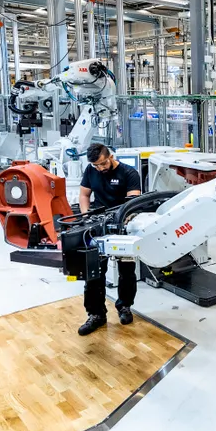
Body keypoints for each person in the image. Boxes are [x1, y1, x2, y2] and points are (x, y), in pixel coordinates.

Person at [77, 143, 142, 335]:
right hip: (98, 227)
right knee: (94, 273)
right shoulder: (91, 170)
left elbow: (132, 204)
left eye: (103, 164)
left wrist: (121, 222)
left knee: (127, 271)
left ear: (111, 156)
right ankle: (96, 314)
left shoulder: (129, 173)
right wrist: (85, 216)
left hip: (123, 227)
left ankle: (124, 307)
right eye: (97, 166)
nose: (100, 168)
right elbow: (84, 194)